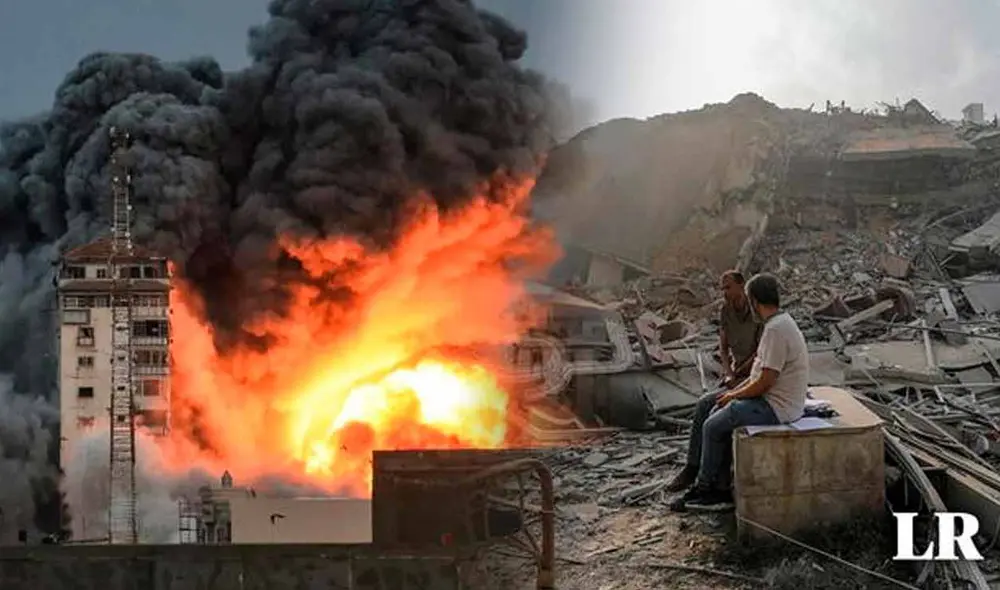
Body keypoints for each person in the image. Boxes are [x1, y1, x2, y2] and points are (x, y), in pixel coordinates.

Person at [666, 273, 810, 511]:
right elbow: (757, 377)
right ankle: (700, 472)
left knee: (713, 423)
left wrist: (734, 396)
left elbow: (765, 381)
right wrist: (732, 391)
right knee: (708, 404)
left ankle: (708, 490)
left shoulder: (775, 330)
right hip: (768, 397)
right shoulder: (775, 324)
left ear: (754, 300)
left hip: (777, 406)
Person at [717, 270, 761, 386]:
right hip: (737, 372)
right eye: (723, 289)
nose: (725, 293)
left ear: (741, 285)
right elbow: (723, 349)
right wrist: (729, 373)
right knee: (707, 401)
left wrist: (739, 372)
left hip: (757, 372)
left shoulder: (756, 310)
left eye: (728, 288)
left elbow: (761, 350)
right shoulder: (725, 312)